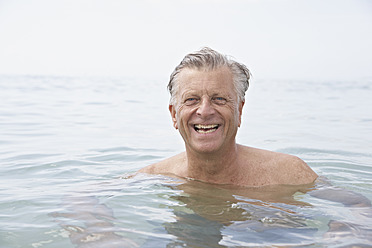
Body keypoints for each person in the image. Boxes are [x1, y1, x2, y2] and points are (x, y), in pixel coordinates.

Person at [139, 47, 317, 186]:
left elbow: (343, 205)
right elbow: (110, 196)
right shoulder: (154, 178)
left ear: (239, 110)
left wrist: (337, 229)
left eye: (219, 99)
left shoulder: (289, 174)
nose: (205, 111)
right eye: (192, 99)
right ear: (173, 114)